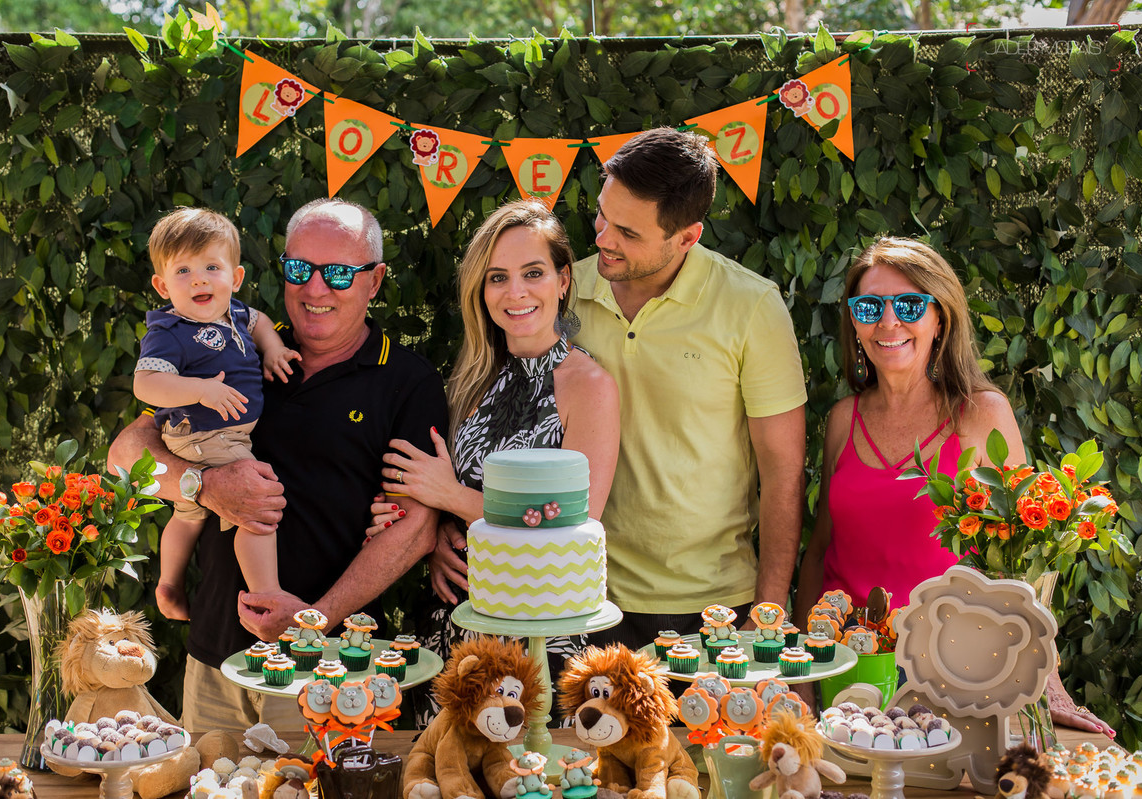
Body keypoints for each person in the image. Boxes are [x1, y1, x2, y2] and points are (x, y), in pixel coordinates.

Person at [109, 199, 448, 733]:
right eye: (299, 269)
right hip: (217, 656)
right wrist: (202, 485)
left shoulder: (406, 381)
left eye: (338, 273)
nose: (315, 290)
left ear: (376, 280)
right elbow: (125, 456)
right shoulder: (240, 351)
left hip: (334, 667)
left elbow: (416, 529)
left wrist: (315, 619)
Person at [794, 236, 1113, 737]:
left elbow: (1021, 564)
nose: (888, 322)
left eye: (909, 304)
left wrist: (1045, 681)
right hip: (846, 668)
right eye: (869, 306)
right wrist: (803, 673)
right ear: (853, 321)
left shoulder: (983, 415)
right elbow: (818, 554)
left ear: (939, 317)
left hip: (951, 674)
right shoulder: (841, 420)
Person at [571, 127, 808, 648]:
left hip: (718, 609)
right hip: (586, 599)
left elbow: (783, 473)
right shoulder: (565, 294)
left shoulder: (751, 307)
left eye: (629, 234)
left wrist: (767, 614)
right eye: (602, 216)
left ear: (687, 237)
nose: (604, 239)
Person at [366, 199, 619, 669]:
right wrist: (438, 535)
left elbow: (571, 534)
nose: (515, 292)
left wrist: (451, 497)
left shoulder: (588, 387)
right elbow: (448, 493)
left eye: (533, 273)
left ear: (563, 281)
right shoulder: (472, 377)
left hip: (538, 634)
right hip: (456, 624)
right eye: (497, 277)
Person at [134, 208, 300, 621]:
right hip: (205, 433)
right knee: (257, 504)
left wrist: (274, 348)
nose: (200, 279)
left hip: (220, 434)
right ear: (162, 285)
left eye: (212, 266)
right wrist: (201, 390)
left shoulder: (237, 314)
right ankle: (268, 593)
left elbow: (260, 321)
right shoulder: (170, 332)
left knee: (188, 514)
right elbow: (145, 383)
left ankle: (169, 583)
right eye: (184, 271)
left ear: (236, 277)